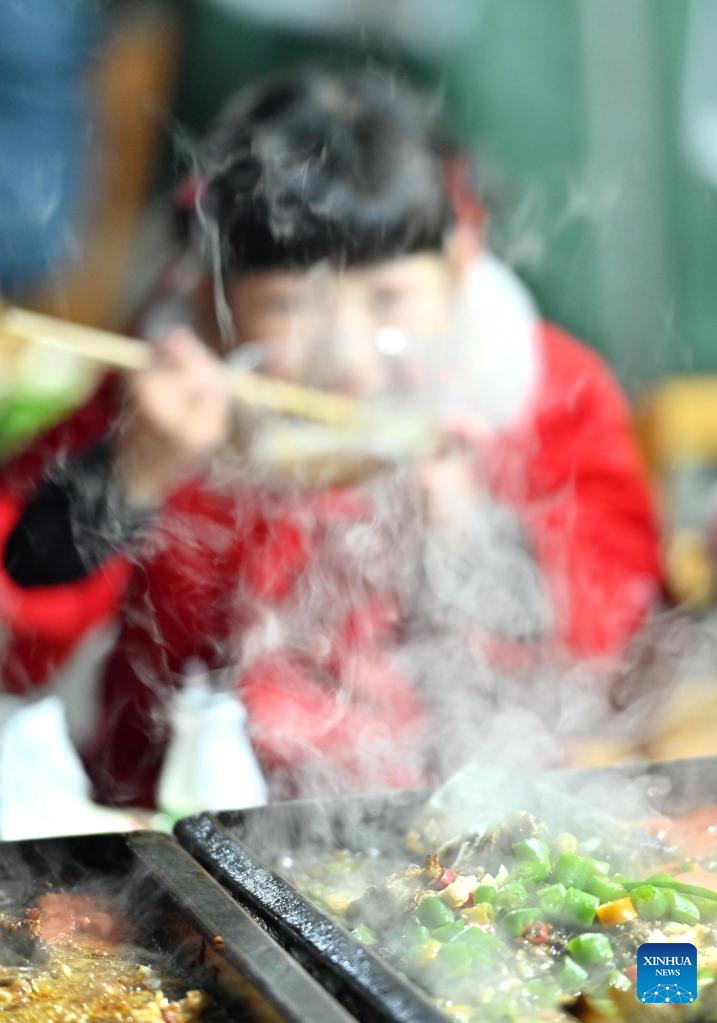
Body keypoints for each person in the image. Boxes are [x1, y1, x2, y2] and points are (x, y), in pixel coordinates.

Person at [0, 71, 661, 809]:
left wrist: (469, 530)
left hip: (447, 818)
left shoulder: (538, 391)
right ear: (211, 296)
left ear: (459, 263)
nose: (349, 359)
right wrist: (127, 476)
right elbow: (14, 630)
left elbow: (606, 653)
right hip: (171, 809)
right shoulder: (161, 392)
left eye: (388, 297)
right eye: (291, 304)